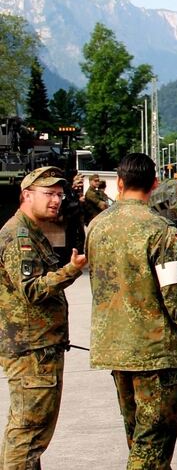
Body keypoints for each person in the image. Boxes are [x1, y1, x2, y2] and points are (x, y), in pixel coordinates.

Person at [86, 153, 177, 469]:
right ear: (155, 184)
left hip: (113, 345)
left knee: (137, 435)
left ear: (119, 183)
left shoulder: (96, 225)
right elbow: (173, 288)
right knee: (154, 441)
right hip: (152, 350)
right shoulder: (159, 229)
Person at [0, 166, 88, 468]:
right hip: (31, 351)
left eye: (59, 195)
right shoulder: (19, 235)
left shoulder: (32, 231)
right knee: (27, 435)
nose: (56, 201)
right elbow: (32, 290)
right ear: (26, 195)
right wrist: (71, 271)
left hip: (38, 347)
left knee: (30, 435)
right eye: (48, 194)